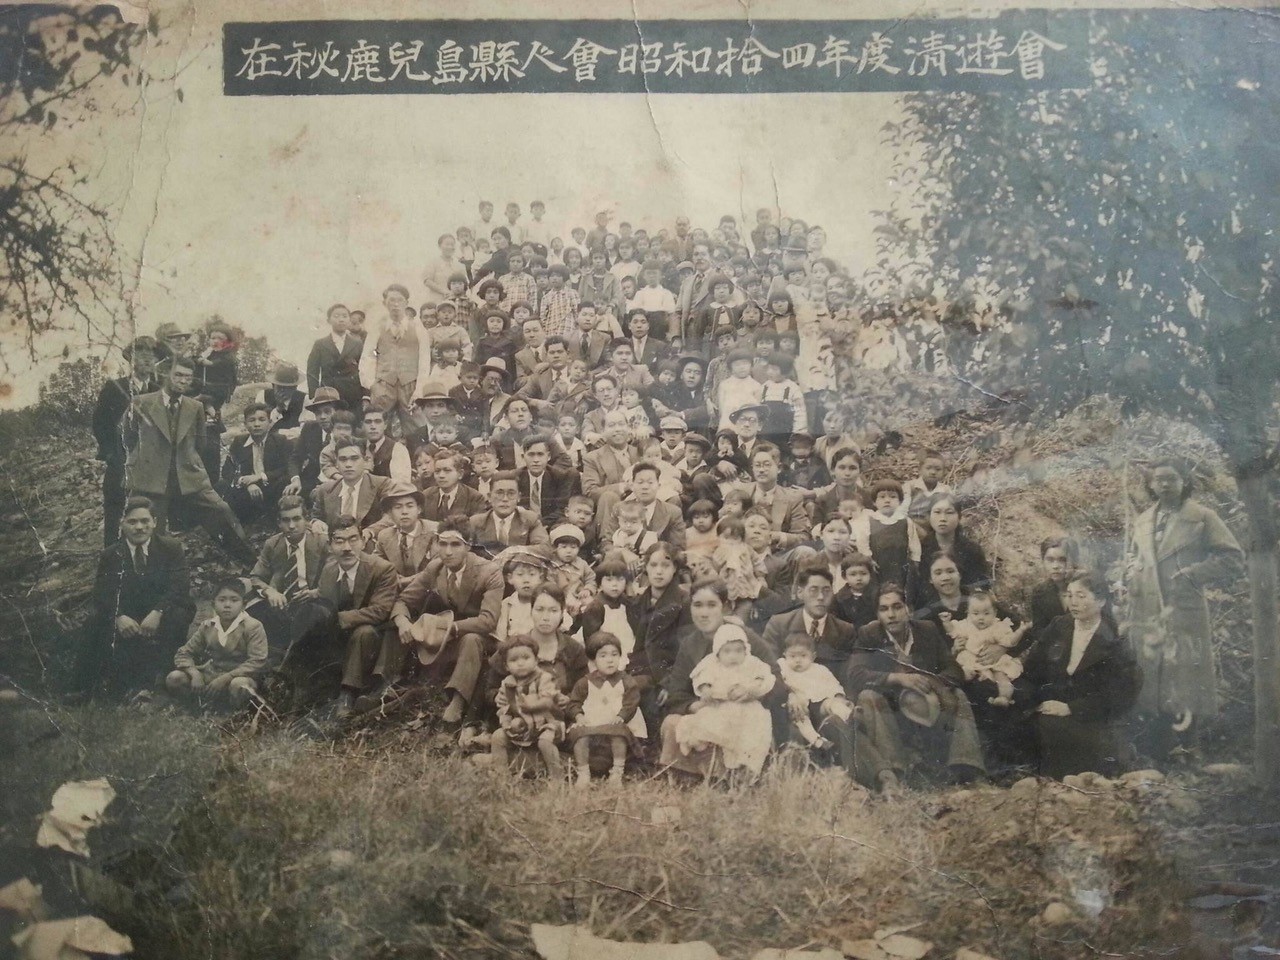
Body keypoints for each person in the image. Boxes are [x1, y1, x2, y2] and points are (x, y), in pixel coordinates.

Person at [1125, 457, 1243, 754]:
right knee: (1152, 677)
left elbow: (1232, 558)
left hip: (1183, 609)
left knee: (1185, 678)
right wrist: (1131, 572)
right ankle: (1159, 749)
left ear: (1185, 482)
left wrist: (1193, 574)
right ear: (1151, 484)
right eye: (1159, 479)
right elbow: (1137, 557)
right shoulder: (1143, 520)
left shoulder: (1202, 517)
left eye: (1172, 479)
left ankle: (1189, 748)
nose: (1165, 484)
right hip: (1148, 611)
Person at [845, 584, 986, 791]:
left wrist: (929, 682)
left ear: (908, 609)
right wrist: (898, 678)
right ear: (877, 614)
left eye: (897, 607)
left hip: (925, 702)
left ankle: (966, 769)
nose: (891, 615)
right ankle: (894, 773)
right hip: (891, 707)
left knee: (959, 694)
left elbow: (953, 669)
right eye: (884, 609)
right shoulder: (869, 634)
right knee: (868, 696)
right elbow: (855, 674)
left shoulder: (927, 629)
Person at [123, 355, 254, 562]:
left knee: (220, 510)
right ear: (166, 375)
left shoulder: (195, 407)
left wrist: (187, 462)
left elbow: (200, 444)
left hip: (188, 476)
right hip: (152, 478)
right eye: (178, 375)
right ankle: (150, 572)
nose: (183, 381)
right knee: (150, 528)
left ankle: (251, 564)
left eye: (188, 377)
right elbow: (128, 437)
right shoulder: (142, 402)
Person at [1019, 571, 1143, 779]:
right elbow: (1032, 670)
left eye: (1081, 596)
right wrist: (1030, 700)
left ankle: (1063, 783)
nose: (1073, 602)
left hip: (1092, 717)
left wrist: (1070, 708)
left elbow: (1120, 694)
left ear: (1101, 601)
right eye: (1069, 595)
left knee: (1054, 729)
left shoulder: (1114, 638)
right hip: (1053, 706)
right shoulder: (1059, 626)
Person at [76, 497, 196, 697]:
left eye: (144, 521)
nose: (139, 527)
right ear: (122, 524)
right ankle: (86, 685)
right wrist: (119, 616)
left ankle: (164, 677)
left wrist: (158, 611)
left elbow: (179, 586)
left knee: (179, 614)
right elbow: (103, 592)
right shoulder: (111, 554)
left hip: (162, 610)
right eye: (132, 522)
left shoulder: (171, 547)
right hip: (129, 613)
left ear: (154, 522)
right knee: (95, 620)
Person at [392, 518, 504, 725]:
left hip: (479, 636)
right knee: (404, 627)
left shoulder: (489, 571)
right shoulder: (435, 568)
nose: (448, 552)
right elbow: (403, 600)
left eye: (455, 545)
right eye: (442, 544)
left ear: (468, 546)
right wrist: (402, 622)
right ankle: (390, 687)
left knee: (471, 639)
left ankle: (457, 703)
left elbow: (488, 621)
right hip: (444, 635)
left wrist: (449, 627)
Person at [316, 515, 399, 719]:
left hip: (375, 639)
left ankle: (348, 695)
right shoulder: (328, 570)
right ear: (329, 545)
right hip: (341, 636)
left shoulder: (382, 569)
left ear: (363, 541)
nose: (347, 548)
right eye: (339, 541)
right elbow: (325, 605)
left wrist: (340, 619)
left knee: (363, 632)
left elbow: (380, 611)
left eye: (353, 539)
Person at [669, 623, 775, 781]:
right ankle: (695, 740)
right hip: (720, 706)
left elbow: (764, 678)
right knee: (706, 722)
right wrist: (706, 689)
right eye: (727, 651)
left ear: (745, 650)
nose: (733, 656)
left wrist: (751, 689)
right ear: (718, 652)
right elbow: (702, 676)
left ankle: (742, 767)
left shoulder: (751, 663)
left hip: (746, 708)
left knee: (751, 733)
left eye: (738, 651)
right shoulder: (712, 663)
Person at [93, 336, 162, 546]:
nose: (147, 359)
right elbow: (100, 423)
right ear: (130, 360)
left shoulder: (159, 390)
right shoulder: (115, 388)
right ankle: (113, 555)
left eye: (152, 355)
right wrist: (111, 454)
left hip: (151, 464)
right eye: (141, 354)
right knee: (117, 512)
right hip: (121, 462)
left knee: (149, 513)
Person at [247, 495, 330, 665]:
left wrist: (316, 592)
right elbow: (255, 576)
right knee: (252, 612)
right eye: (285, 520)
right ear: (279, 523)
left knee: (313, 614)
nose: (291, 526)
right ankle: (267, 658)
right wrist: (270, 591)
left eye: (297, 519)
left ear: (306, 520)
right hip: (283, 603)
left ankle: (293, 662)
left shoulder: (321, 542)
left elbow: (335, 576)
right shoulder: (273, 544)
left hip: (311, 601)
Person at [166, 579, 268, 709]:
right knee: (175, 678)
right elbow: (184, 653)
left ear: (244, 604)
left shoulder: (252, 626)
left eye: (234, 600)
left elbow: (257, 661)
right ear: (213, 604)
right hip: (212, 674)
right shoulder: (208, 626)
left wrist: (226, 678)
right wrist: (194, 673)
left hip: (239, 676)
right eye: (222, 600)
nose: (227, 605)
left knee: (240, 685)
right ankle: (194, 709)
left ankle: (234, 714)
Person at [567, 631, 644, 788]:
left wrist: (621, 716)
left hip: (616, 721)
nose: (610, 660)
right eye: (603, 656)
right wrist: (579, 716)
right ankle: (584, 773)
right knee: (579, 734)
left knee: (617, 732)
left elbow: (631, 703)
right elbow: (574, 703)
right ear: (593, 660)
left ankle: (617, 772)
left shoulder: (626, 681)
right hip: (592, 723)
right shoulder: (585, 682)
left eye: (614, 654)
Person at [490, 635, 566, 780]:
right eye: (514, 660)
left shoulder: (544, 678)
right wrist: (507, 721)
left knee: (545, 742)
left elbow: (548, 702)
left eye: (526, 658)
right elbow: (503, 707)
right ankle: (501, 775)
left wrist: (531, 706)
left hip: (546, 724)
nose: (520, 663)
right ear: (506, 666)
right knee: (498, 737)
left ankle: (557, 776)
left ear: (536, 660)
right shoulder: (507, 683)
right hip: (523, 726)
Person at [359, 283, 432, 430]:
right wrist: (372, 384)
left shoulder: (418, 329)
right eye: (391, 300)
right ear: (384, 303)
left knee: (416, 428)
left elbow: (424, 360)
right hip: (384, 386)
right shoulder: (377, 328)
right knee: (378, 426)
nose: (396, 304)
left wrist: (419, 390)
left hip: (410, 385)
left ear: (406, 303)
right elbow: (368, 356)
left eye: (400, 300)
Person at [763, 563, 858, 673]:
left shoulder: (845, 630)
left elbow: (847, 674)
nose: (821, 597)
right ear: (800, 592)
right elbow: (769, 667)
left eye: (826, 591)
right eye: (813, 590)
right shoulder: (778, 625)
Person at [942, 591, 1029, 705]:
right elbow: (953, 631)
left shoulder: (997, 627)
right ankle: (986, 695)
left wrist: (1020, 631)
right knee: (970, 675)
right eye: (976, 613)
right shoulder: (966, 626)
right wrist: (946, 622)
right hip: (974, 661)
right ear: (968, 613)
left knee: (1002, 678)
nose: (981, 618)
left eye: (986, 613)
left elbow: (1010, 641)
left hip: (996, 663)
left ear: (995, 613)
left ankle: (1004, 698)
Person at [777, 633, 853, 752]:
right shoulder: (783, 667)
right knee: (800, 718)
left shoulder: (820, 669)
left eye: (803, 656)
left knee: (832, 704)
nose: (798, 660)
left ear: (813, 657)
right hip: (799, 705)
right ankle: (818, 741)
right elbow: (776, 681)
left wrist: (838, 696)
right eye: (792, 656)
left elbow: (833, 684)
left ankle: (850, 718)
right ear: (785, 655)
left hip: (819, 703)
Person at [220, 402, 291, 523]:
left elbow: (285, 468)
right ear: (245, 424)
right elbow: (228, 469)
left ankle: (272, 520)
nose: (257, 424)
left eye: (262, 420)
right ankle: (243, 522)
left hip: (271, 485)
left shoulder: (279, 440)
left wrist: (260, 477)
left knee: (283, 483)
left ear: (269, 423)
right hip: (247, 488)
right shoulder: (239, 442)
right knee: (223, 486)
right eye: (252, 420)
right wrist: (247, 484)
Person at [310, 439, 393, 538]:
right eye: (343, 459)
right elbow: (316, 517)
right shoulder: (325, 490)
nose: (348, 464)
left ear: (365, 461)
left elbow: (391, 516)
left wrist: (370, 531)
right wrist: (317, 523)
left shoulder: (382, 484)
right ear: (336, 463)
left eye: (354, 458)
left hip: (370, 543)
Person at [918, 495, 991, 600]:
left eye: (949, 512)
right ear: (929, 516)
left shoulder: (972, 550)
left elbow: (980, 584)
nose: (943, 519)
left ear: (959, 517)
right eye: (937, 512)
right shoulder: (920, 549)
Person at [371, 480, 438, 587]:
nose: (404, 512)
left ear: (419, 509)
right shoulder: (385, 536)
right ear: (390, 513)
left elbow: (438, 568)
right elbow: (375, 566)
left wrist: (405, 581)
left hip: (428, 589)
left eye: (410, 506)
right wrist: (394, 579)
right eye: (398, 507)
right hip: (395, 589)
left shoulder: (435, 532)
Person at [284, 387, 342, 499]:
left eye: (327, 412)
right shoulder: (310, 428)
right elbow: (295, 458)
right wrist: (295, 480)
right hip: (312, 482)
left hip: (338, 482)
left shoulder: (347, 430)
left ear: (337, 412)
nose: (322, 417)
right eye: (318, 413)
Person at [517, 432, 580, 526]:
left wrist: (539, 524)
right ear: (523, 457)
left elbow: (562, 509)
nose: (536, 460)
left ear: (549, 456)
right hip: (522, 525)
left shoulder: (560, 477)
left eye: (540, 454)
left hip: (550, 525)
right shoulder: (516, 477)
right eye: (531, 455)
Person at [1027, 537, 1078, 639]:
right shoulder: (1040, 592)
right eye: (1050, 560)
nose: (1055, 566)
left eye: (1062, 560)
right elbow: (1038, 630)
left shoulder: (1086, 587)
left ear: (1073, 561)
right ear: (1043, 561)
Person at [194, 321, 239, 410]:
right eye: (213, 338)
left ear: (228, 340)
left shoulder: (228, 355)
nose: (215, 341)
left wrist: (203, 361)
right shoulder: (211, 352)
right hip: (209, 387)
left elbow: (215, 363)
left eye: (220, 338)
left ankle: (209, 408)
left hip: (221, 389)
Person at [362, 408, 413, 483]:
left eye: (378, 422)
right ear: (363, 425)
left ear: (385, 425)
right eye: (368, 422)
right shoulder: (357, 447)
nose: (373, 427)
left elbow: (401, 485)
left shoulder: (397, 450)